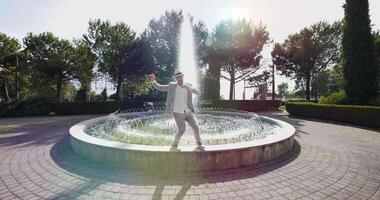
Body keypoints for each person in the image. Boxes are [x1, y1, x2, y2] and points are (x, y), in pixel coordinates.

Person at [148, 71, 204, 150]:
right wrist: (153, 81)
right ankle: (175, 143)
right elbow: (160, 87)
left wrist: (189, 88)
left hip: (188, 112)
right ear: (176, 78)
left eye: (180, 76)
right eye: (177, 77)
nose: (179, 78)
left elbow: (198, 93)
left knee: (195, 126)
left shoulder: (189, 85)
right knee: (182, 130)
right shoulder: (172, 86)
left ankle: (199, 143)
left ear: (183, 76)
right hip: (178, 112)